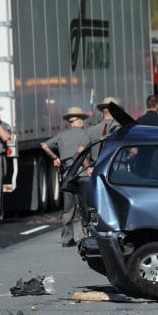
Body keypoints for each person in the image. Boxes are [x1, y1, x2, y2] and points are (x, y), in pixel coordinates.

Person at [41, 107, 91, 247]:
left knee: (68, 208)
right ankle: (84, 236)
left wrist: (55, 158)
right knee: (83, 206)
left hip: (67, 173)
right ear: (80, 120)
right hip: (82, 172)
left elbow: (44, 146)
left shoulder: (62, 135)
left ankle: (67, 238)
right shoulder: (86, 134)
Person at [87, 96, 121, 165]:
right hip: (118, 169)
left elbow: (82, 150)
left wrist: (88, 168)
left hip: (98, 168)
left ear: (102, 113)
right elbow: (134, 151)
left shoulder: (90, 131)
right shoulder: (123, 128)